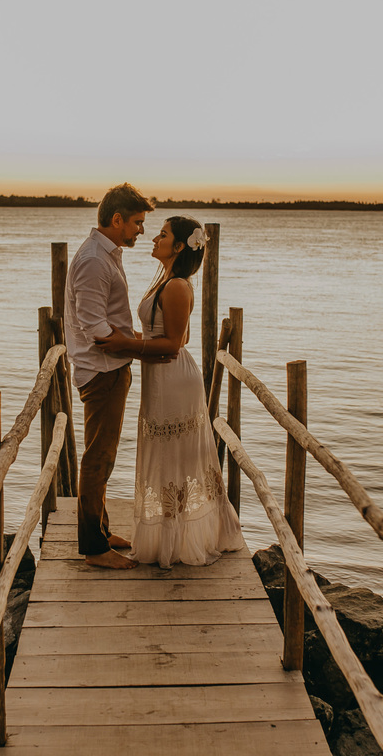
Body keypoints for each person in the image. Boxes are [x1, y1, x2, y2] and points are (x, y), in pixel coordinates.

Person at [96, 215, 242, 568]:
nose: (153, 238)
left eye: (162, 235)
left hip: (173, 378)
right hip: (158, 377)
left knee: (173, 455)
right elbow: (179, 334)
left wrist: (125, 346)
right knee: (165, 455)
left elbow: (175, 344)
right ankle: (169, 535)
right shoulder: (165, 279)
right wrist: (131, 340)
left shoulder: (177, 286)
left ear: (178, 247)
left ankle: (178, 541)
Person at [64, 183, 155, 569]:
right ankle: (95, 549)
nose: (141, 231)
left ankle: (99, 530)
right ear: (116, 219)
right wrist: (145, 347)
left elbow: (107, 323)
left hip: (111, 369)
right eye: (136, 223)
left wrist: (136, 340)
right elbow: (95, 330)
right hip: (101, 372)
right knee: (98, 458)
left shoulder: (106, 255)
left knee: (103, 455)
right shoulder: (94, 261)